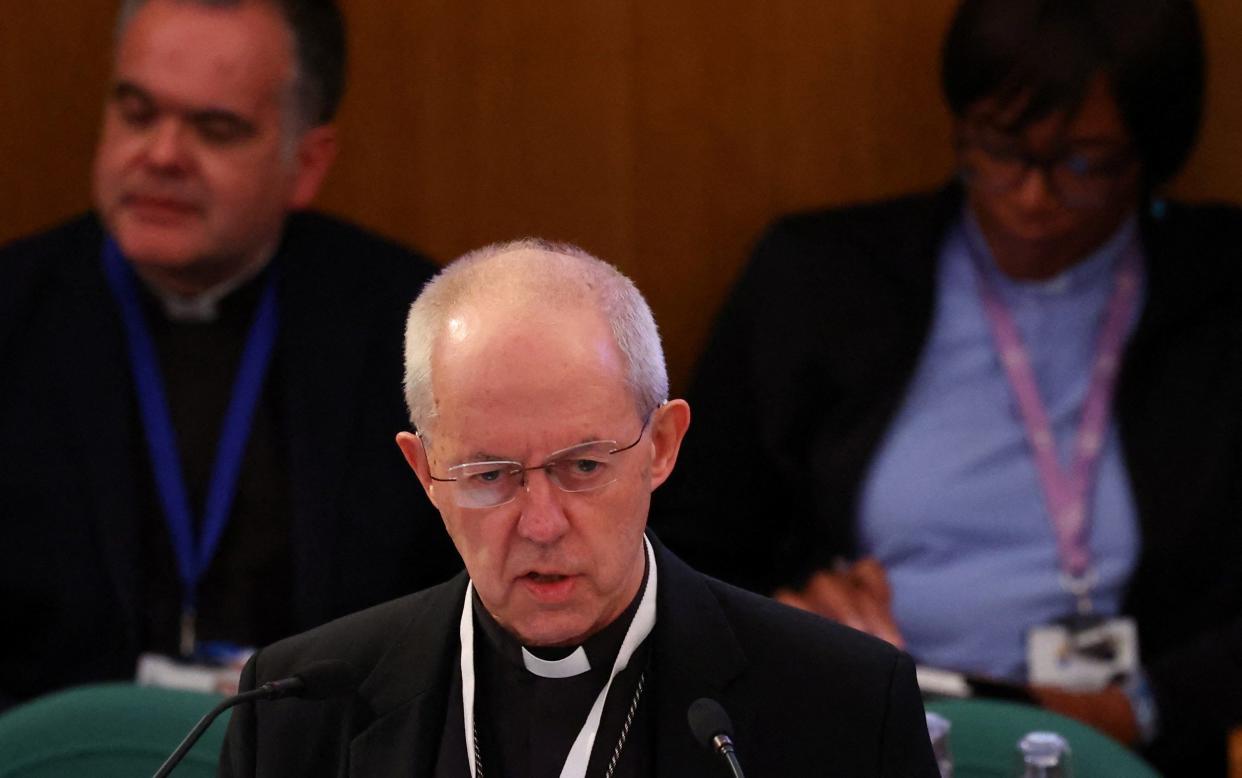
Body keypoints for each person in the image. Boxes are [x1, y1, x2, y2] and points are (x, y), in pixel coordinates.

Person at [654, 0, 1242, 774]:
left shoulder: (1223, 294)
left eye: (1083, 163)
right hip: (862, 724)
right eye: (1000, 151)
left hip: (1124, 745)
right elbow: (684, 550)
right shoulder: (821, 280)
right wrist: (788, 629)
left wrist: (1143, 704)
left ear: (1151, 153)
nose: (1032, 196)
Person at [217, 240, 939, 777]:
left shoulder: (844, 708)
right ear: (425, 471)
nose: (540, 523)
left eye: (583, 467)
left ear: (662, 446)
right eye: (489, 474)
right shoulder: (295, 713)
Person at [0, 0, 460, 707]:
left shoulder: (420, 331)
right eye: (137, 112)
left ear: (306, 163)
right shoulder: (13, 310)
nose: (160, 155)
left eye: (214, 130)